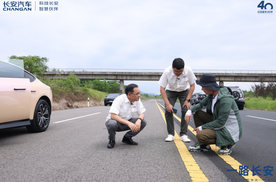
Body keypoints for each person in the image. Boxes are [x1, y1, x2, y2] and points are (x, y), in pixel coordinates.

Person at [185, 74, 242, 155]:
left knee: (201, 136)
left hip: (229, 130)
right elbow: (200, 105)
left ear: (209, 86)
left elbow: (221, 122)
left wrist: (202, 128)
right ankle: (205, 145)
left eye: (203, 86)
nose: (202, 88)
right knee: (198, 114)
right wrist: (189, 112)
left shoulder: (225, 100)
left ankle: (228, 143)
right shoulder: (212, 95)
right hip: (220, 124)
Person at [159, 58, 196, 142]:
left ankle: (183, 134)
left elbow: (192, 86)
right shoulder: (167, 72)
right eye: (176, 72)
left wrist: (188, 100)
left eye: (180, 72)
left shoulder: (188, 70)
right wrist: (168, 104)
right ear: (172, 67)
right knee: (168, 110)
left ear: (184, 68)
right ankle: (171, 134)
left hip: (184, 91)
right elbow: (162, 89)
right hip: (170, 91)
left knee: (185, 110)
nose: (178, 74)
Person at [105, 84, 147, 149]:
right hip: (116, 123)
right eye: (137, 93)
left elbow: (142, 113)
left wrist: (139, 121)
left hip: (127, 122)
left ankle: (127, 138)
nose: (139, 95)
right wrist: (128, 123)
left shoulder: (137, 100)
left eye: (139, 93)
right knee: (112, 123)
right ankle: (111, 140)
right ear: (129, 94)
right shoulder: (119, 99)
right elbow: (113, 116)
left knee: (143, 122)